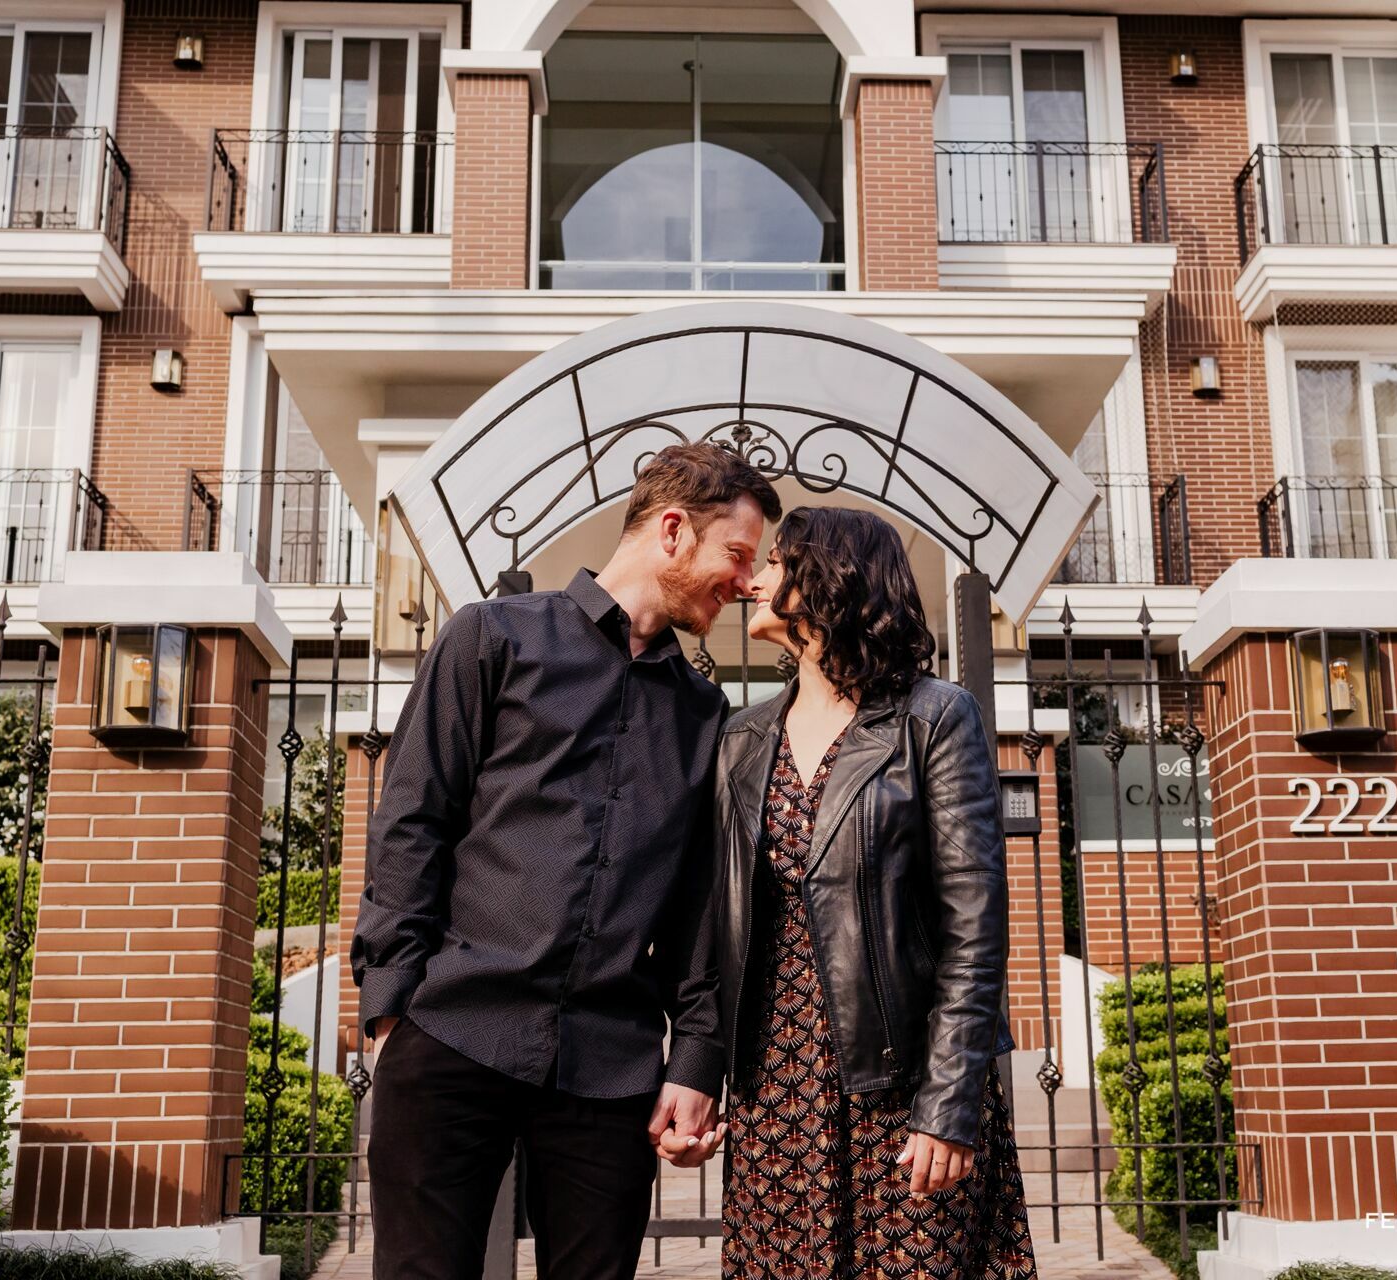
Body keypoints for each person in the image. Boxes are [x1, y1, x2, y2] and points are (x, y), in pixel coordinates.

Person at [351, 442, 781, 1280]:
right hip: (451, 1033)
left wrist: (695, 1059)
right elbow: (411, 822)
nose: (744, 581)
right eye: (736, 554)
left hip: (609, 1069)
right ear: (672, 530)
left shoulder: (704, 714)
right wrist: (391, 1009)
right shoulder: (491, 638)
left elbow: (698, 906)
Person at [709, 506, 1037, 1279]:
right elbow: (717, 920)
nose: (754, 580)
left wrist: (950, 1102)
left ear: (828, 578)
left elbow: (974, 928)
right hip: (774, 1093)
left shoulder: (934, 717)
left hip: (903, 1088)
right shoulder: (743, 738)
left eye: (776, 563)